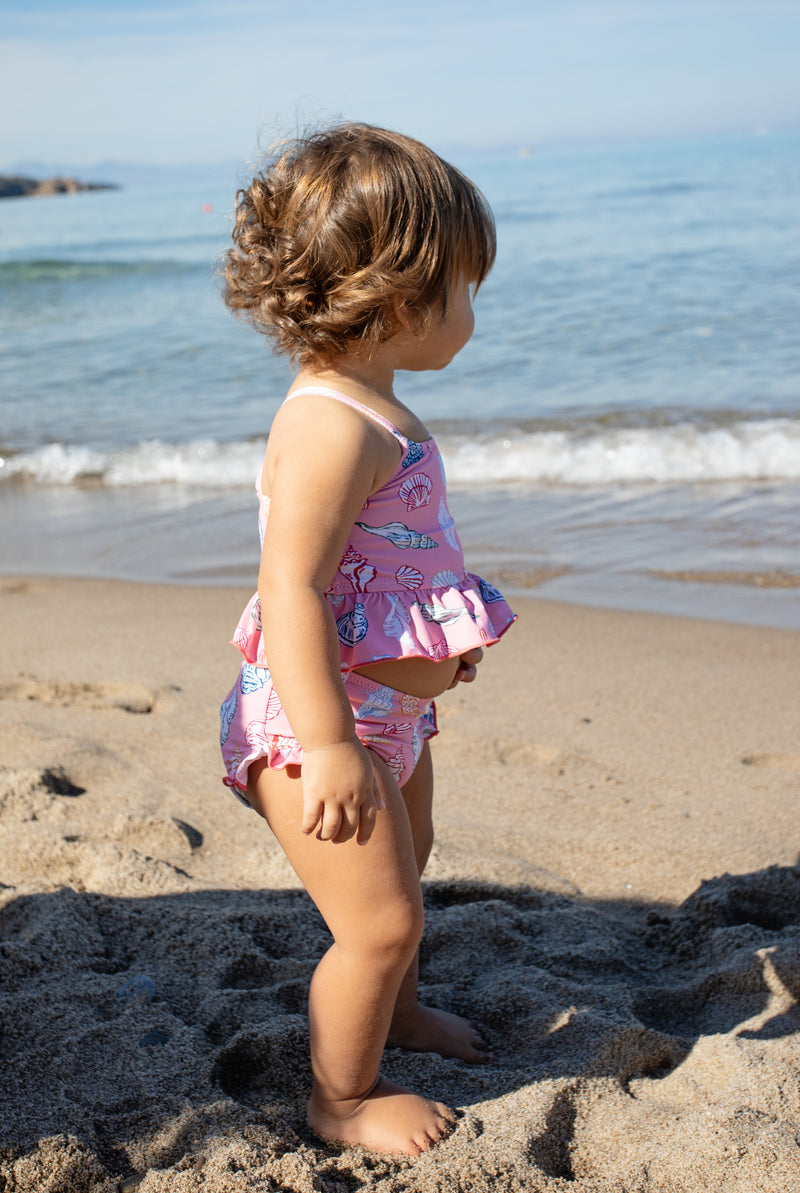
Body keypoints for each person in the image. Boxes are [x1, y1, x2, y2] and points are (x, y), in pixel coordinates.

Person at [219, 123, 516, 1157]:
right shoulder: (329, 425)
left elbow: (382, 567)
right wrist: (334, 742)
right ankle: (340, 1097)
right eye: (465, 288)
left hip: (386, 709)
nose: (473, 312)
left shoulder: (373, 404)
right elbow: (291, 587)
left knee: (407, 870)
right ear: (398, 300)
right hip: (317, 723)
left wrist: (436, 656)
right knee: (377, 920)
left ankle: (393, 1014)